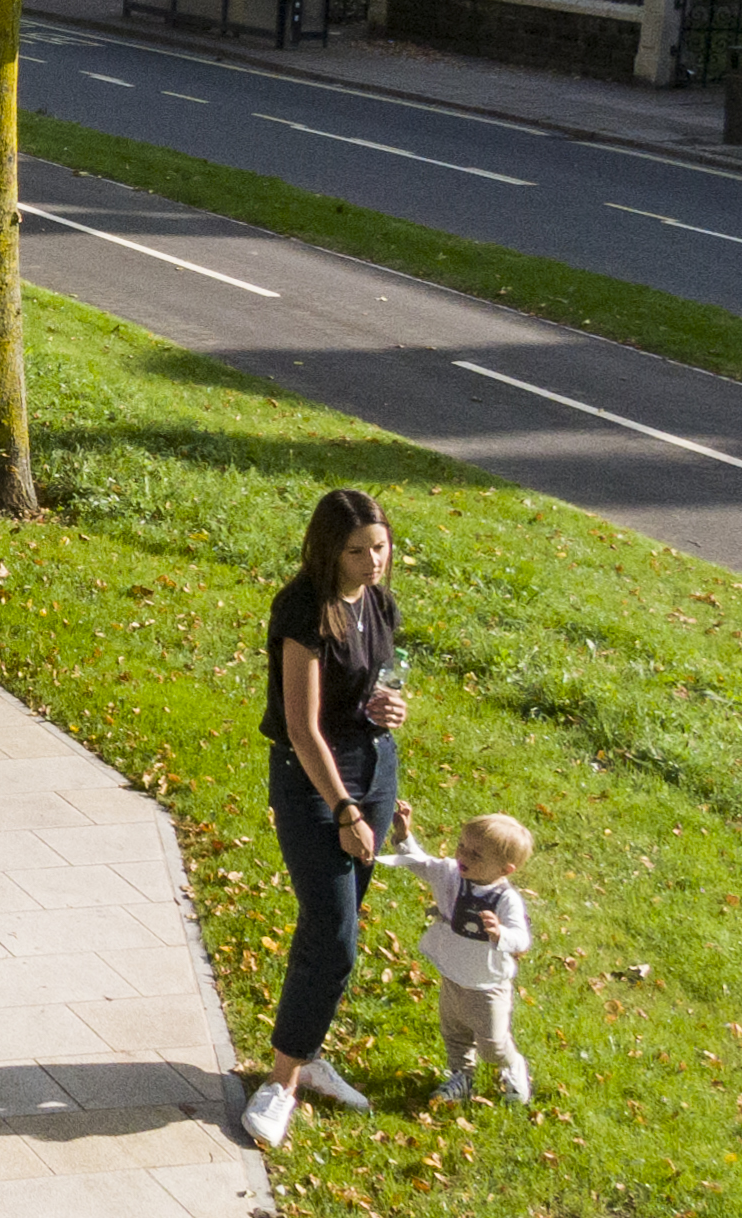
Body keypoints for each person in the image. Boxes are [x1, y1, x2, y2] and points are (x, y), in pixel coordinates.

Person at [243, 487, 410, 1150]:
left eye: (379, 546)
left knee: (327, 928)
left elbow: (372, 685)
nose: (373, 561)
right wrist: (342, 809)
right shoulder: (303, 612)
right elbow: (300, 726)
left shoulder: (378, 602)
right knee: (335, 937)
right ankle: (280, 1082)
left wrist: (387, 708)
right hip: (315, 783)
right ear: (326, 550)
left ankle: (305, 1055)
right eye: (356, 551)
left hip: (371, 771)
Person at [382, 803, 537, 1105]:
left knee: (491, 1044)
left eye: (476, 855)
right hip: (452, 975)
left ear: (505, 870)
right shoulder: (451, 874)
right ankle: (461, 1077)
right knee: (454, 1034)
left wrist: (500, 934)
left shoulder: (506, 900)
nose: (463, 856)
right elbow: (420, 864)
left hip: (487, 985)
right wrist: (403, 836)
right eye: (462, 846)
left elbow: (522, 940)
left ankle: (512, 1064)